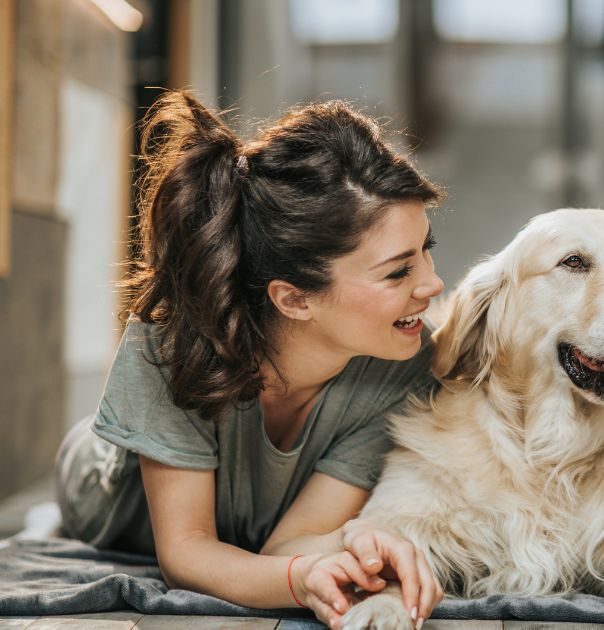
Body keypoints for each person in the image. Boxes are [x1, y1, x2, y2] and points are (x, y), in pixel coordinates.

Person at [55, 92, 445, 630]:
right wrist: (300, 578)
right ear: (295, 299)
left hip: (252, 523)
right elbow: (186, 554)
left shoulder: (407, 364)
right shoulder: (169, 345)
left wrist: (353, 541)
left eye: (427, 248)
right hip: (101, 490)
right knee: (85, 455)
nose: (433, 283)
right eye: (398, 271)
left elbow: (286, 546)